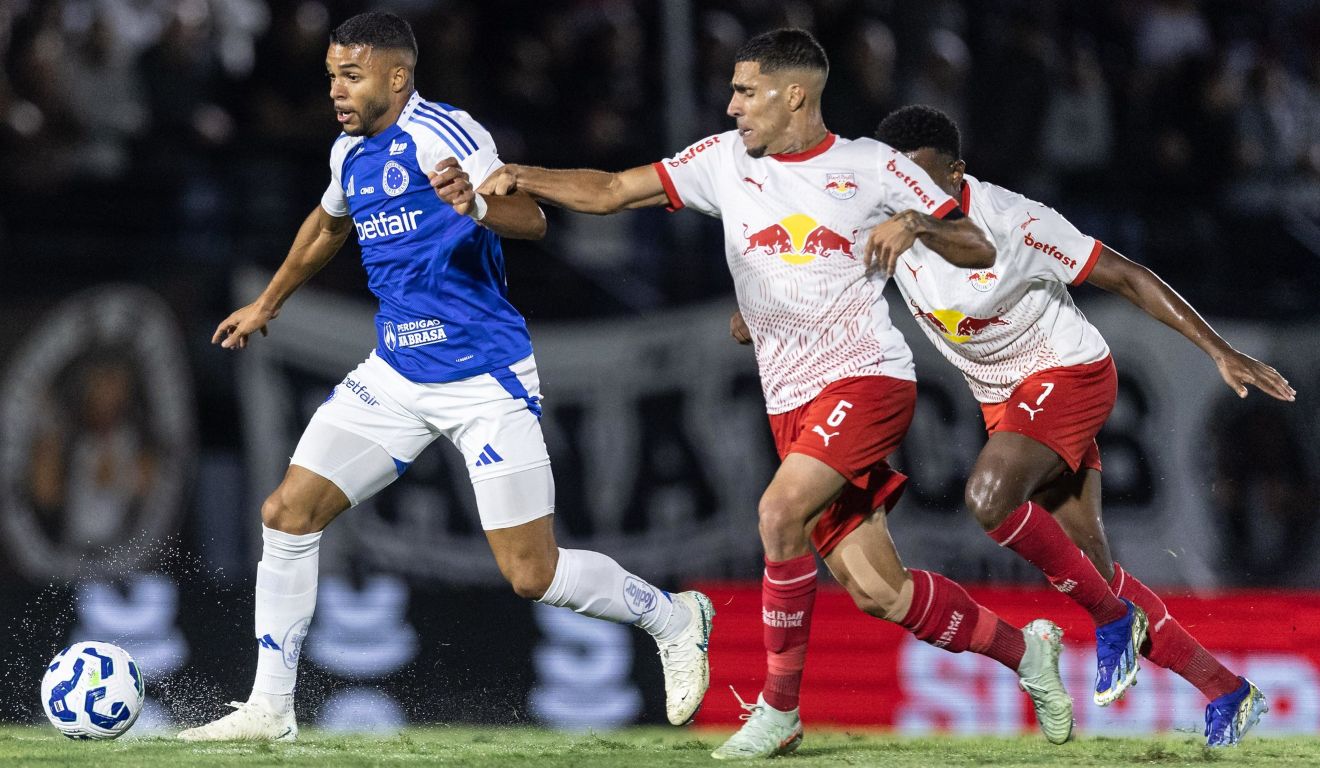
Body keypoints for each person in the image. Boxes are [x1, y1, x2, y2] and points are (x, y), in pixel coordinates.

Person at [492, 29, 1083, 759]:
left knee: (778, 513)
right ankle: (1027, 653)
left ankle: (779, 711)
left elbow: (977, 245)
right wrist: (522, 174)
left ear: (793, 94)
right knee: (880, 592)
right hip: (790, 399)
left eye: (745, 91)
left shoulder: (873, 166)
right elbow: (613, 191)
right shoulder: (722, 161)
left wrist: (916, 221)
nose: (732, 103)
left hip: (866, 379)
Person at [178, 11, 713, 742]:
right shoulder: (349, 154)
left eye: (351, 75)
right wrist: (267, 303)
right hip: (396, 374)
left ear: (397, 78)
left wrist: (480, 202)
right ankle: (270, 707)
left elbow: (532, 220)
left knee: (532, 573)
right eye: (332, 73)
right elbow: (327, 224)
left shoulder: (446, 133)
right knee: (286, 514)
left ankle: (674, 616)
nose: (336, 88)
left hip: (481, 376)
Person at [869, 104, 1292, 746]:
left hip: (1069, 374)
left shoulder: (1014, 221)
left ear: (958, 173)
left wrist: (1218, 349)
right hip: (1006, 402)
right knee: (1092, 567)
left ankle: (1113, 620)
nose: (912, 198)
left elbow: (1126, 275)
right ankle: (1227, 691)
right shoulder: (883, 226)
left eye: (925, 181)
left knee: (988, 498)